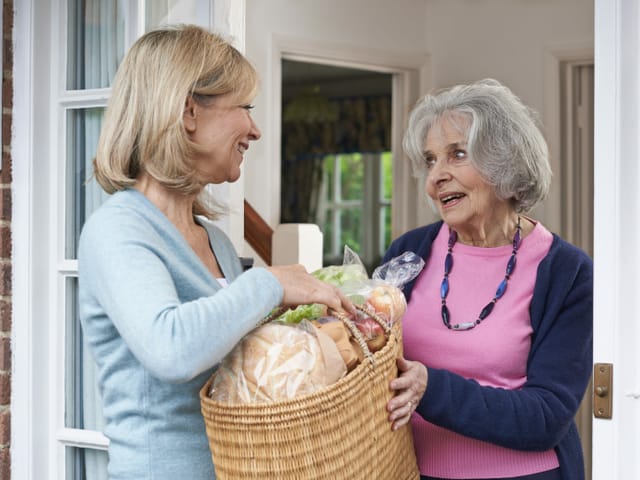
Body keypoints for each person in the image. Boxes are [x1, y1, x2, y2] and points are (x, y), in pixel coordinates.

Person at [78, 25, 353, 480]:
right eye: (245, 107)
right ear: (189, 111)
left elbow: (235, 367)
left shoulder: (217, 241)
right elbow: (172, 350)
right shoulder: (118, 229)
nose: (255, 129)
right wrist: (270, 283)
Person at [383, 79, 593, 480]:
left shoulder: (567, 273)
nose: (436, 177)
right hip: (410, 472)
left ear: (504, 161)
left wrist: (433, 389)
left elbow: (547, 416)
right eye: (430, 161)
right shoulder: (408, 254)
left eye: (457, 155)